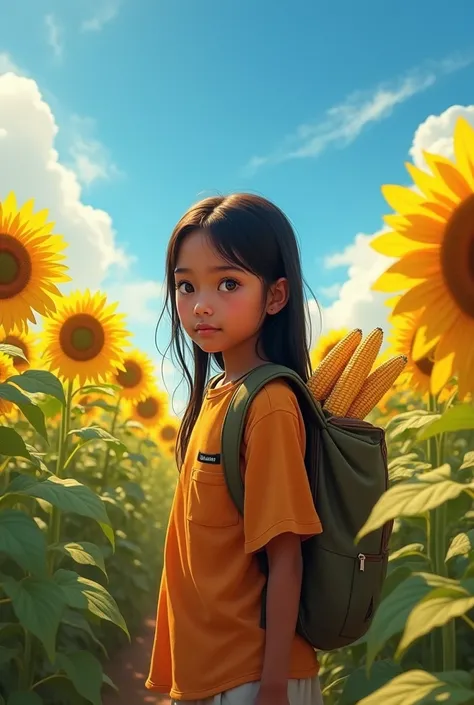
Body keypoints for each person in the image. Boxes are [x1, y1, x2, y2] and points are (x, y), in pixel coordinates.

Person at [146, 193, 324, 705]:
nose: (201, 303)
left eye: (228, 283)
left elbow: (286, 557)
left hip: (251, 677)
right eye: (186, 285)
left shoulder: (267, 404)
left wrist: (271, 688)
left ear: (275, 296)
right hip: (214, 672)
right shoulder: (219, 395)